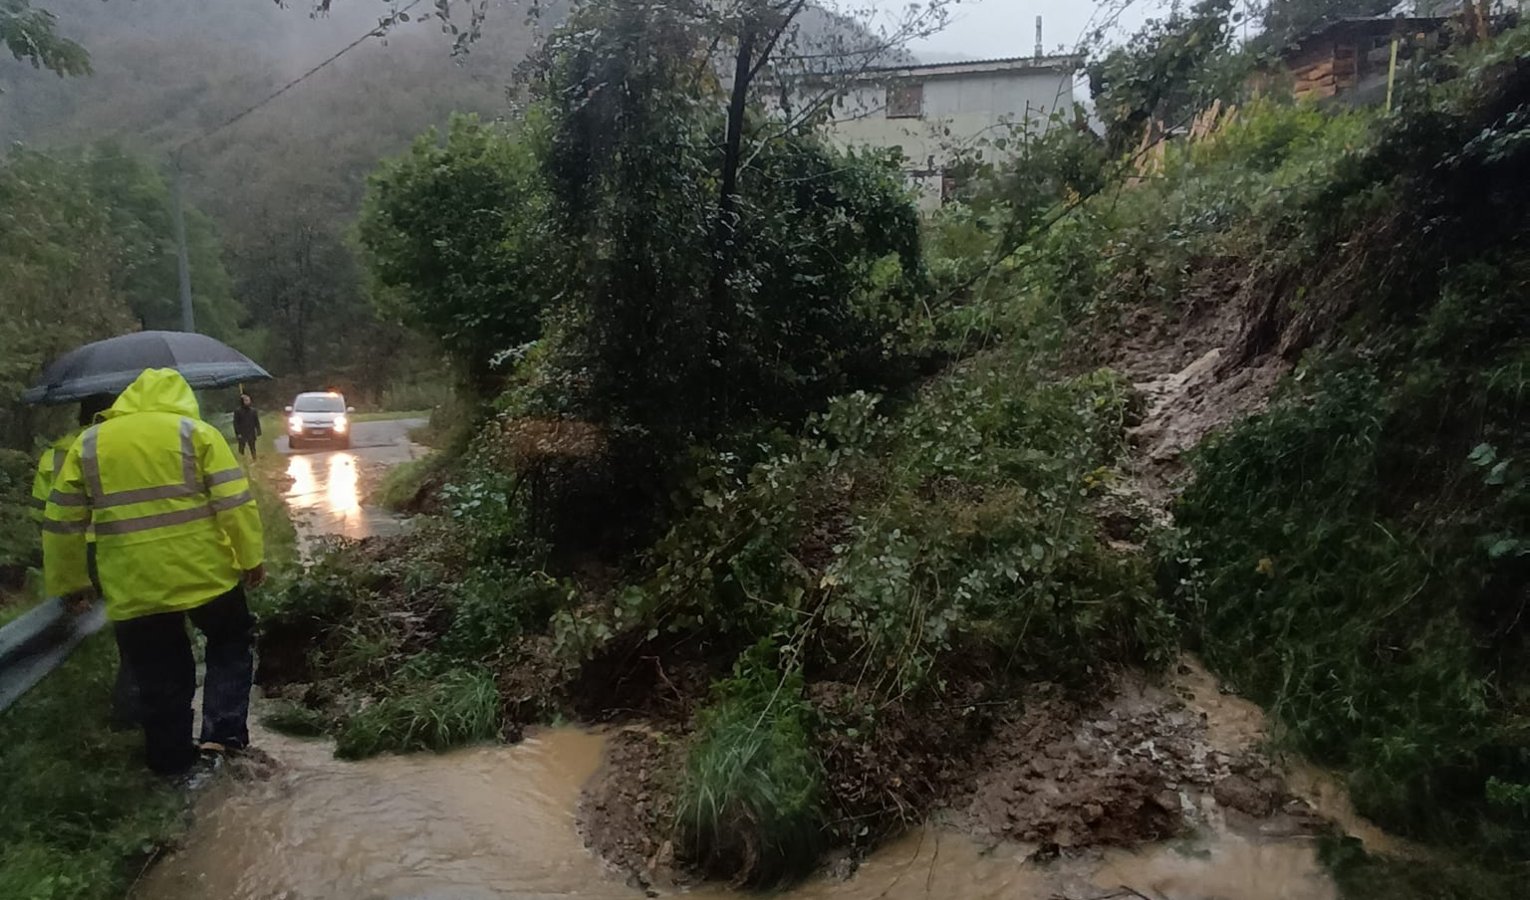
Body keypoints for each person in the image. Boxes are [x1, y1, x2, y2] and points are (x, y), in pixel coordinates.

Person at [43, 368, 266, 777]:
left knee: (160, 673)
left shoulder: (88, 444)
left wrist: (71, 582)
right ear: (182, 399)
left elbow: (61, 524)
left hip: (133, 586)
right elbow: (236, 505)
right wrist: (251, 558)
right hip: (205, 575)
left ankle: (171, 767)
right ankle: (223, 738)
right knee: (231, 643)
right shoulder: (195, 434)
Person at [31, 393, 141, 730]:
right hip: (115, 547)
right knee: (134, 629)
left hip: (74, 550)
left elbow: (40, 513)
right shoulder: (115, 446)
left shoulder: (55, 454)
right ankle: (129, 709)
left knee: (96, 623)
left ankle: (95, 694)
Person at [233, 393, 261, 461]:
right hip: (242, 433)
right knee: (241, 447)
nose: (248, 401)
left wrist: (258, 430)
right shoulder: (238, 411)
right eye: (246, 400)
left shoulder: (253, 411)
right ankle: (242, 460)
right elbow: (235, 423)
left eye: (249, 400)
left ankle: (254, 458)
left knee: (252, 447)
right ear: (242, 401)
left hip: (251, 432)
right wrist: (238, 433)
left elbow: (256, 421)